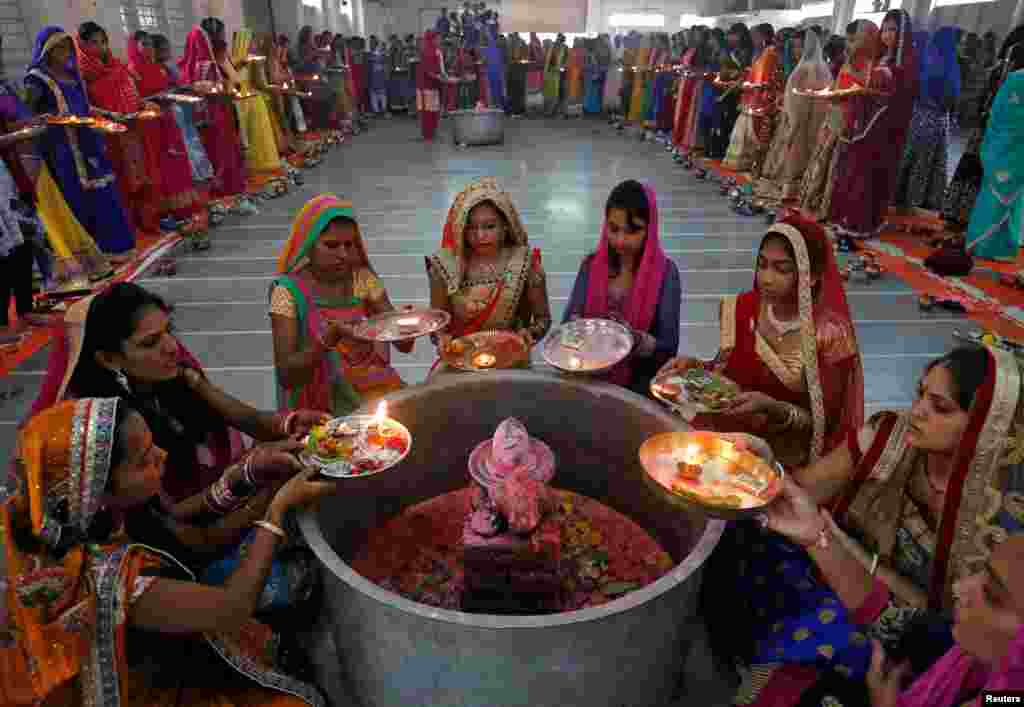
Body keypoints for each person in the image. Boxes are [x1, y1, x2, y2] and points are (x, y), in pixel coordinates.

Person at [707, 344, 1024, 706]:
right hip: (827, 567)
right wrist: (763, 464)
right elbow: (802, 491)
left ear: (986, 429)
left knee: (829, 649)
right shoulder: (888, 437)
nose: (917, 411)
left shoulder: (997, 523)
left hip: (902, 625)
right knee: (744, 526)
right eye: (920, 394)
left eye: (941, 407)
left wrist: (841, 544)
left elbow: (943, 623)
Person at [1, 397, 335, 706]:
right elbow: (232, 607)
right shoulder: (107, 581)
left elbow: (187, 529)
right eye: (144, 459)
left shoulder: (104, 514)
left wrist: (253, 472)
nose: (162, 455)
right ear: (96, 492)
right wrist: (276, 511)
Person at [658, 214, 863, 469]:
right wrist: (695, 368)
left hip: (782, 458)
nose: (766, 278)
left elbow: (825, 428)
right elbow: (725, 376)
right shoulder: (742, 308)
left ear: (811, 276)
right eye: (762, 264)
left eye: (782, 269)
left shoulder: (830, 335)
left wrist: (773, 408)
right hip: (728, 437)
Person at [270, 194, 411, 415]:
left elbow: (404, 346)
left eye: (349, 245)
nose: (343, 254)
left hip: (372, 386)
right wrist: (329, 338)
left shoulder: (362, 279)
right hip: (319, 402)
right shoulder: (287, 293)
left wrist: (405, 325)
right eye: (331, 245)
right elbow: (287, 375)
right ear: (308, 245)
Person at [25, 26, 135, 258]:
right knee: (77, 196)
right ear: (47, 51)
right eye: (59, 49)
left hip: (88, 140)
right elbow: (29, 117)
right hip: (63, 148)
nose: (65, 53)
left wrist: (107, 115)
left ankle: (114, 246)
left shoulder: (72, 73)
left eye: (67, 48)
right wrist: (53, 120)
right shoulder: (36, 80)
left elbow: (83, 107)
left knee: (104, 192)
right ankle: (90, 251)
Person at [564, 180, 680, 394]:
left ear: (650, 228)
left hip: (639, 388)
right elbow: (568, 322)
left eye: (632, 231)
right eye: (613, 229)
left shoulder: (666, 274)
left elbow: (668, 349)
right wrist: (580, 329)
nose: (620, 240)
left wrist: (633, 340)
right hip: (587, 379)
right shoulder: (591, 265)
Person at [426, 177, 551, 373]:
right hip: (460, 359)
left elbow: (543, 319)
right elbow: (436, 323)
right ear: (461, 230)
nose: (480, 236)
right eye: (471, 228)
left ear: (505, 228)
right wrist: (441, 338)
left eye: (489, 226)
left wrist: (530, 334)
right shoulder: (444, 266)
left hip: (509, 357)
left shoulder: (526, 264)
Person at [829, 9, 919, 240]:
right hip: (865, 122)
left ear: (903, 33)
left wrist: (879, 83)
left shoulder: (906, 63)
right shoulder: (882, 59)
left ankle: (863, 221)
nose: (887, 35)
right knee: (855, 169)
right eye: (885, 29)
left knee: (869, 172)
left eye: (892, 30)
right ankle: (846, 217)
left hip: (884, 128)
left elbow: (900, 97)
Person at [76, 23, 162, 239]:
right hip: (109, 134)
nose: (101, 47)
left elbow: (131, 92)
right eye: (94, 43)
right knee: (123, 179)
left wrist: (142, 105)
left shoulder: (116, 65)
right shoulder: (82, 74)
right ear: (82, 44)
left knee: (142, 176)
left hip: (132, 128)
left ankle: (148, 221)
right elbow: (83, 105)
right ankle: (130, 227)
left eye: (103, 41)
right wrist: (110, 115)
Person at [126, 33, 210, 243]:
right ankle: (165, 212)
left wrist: (176, 93)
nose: (149, 48)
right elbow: (135, 101)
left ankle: (182, 209)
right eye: (144, 45)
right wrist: (155, 100)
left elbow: (168, 89)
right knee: (160, 166)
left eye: (150, 44)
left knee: (177, 162)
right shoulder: (132, 72)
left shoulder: (160, 68)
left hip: (170, 119)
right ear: (134, 47)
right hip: (151, 126)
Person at [799, 20, 879, 221]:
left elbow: (867, 96)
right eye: (848, 40)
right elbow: (836, 88)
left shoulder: (873, 68)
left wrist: (843, 94)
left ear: (867, 39)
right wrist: (829, 95)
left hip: (851, 122)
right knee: (822, 161)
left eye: (854, 40)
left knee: (836, 165)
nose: (850, 46)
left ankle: (829, 208)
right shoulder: (847, 63)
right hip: (833, 117)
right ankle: (813, 201)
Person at [178, 18, 252, 210]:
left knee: (227, 145)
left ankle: (229, 182)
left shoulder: (213, 54)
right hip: (214, 111)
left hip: (222, 107)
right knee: (220, 148)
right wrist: (224, 88)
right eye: (220, 33)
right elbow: (208, 85)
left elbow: (226, 77)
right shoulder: (205, 59)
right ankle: (224, 185)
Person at [755, 30, 832, 204]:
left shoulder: (806, 69)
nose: (796, 50)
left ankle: (791, 191)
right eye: (795, 46)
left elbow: (803, 100)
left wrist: (793, 126)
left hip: (799, 121)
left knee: (794, 157)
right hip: (805, 121)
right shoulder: (817, 67)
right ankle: (800, 190)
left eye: (800, 46)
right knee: (802, 157)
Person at [964, 40, 1024, 261]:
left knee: (996, 195)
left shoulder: (1013, 79)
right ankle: (1000, 248)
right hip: (1013, 149)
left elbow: (996, 116)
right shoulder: (1017, 80)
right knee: (1009, 198)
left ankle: (984, 244)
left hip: (1002, 147)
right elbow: (1004, 115)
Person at [892, 27, 959, 212]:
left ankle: (900, 197)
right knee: (925, 163)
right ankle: (915, 201)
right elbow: (949, 101)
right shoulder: (947, 65)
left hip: (917, 117)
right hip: (934, 120)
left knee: (910, 158)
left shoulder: (925, 61)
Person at [723, 23, 782, 177]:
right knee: (744, 132)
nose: (752, 39)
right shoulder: (761, 52)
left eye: (755, 36)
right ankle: (745, 163)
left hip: (760, 97)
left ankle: (752, 163)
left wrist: (752, 84)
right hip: (751, 96)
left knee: (755, 133)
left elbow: (767, 77)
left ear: (764, 37)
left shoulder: (770, 53)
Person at [416, 31, 443, 141]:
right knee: (427, 111)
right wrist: (442, 78)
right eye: (438, 38)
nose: (439, 41)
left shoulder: (437, 51)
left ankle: (432, 132)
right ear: (432, 40)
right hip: (426, 87)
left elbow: (440, 68)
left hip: (434, 85)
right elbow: (428, 71)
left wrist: (443, 77)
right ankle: (427, 134)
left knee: (434, 110)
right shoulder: (426, 52)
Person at [544, 34, 567, 116]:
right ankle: (549, 110)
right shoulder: (551, 47)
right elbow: (547, 60)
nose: (558, 41)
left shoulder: (565, 49)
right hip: (549, 73)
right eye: (558, 39)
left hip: (559, 74)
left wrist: (561, 69)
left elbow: (566, 62)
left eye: (560, 40)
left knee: (558, 93)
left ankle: (555, 110)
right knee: (549, 92)